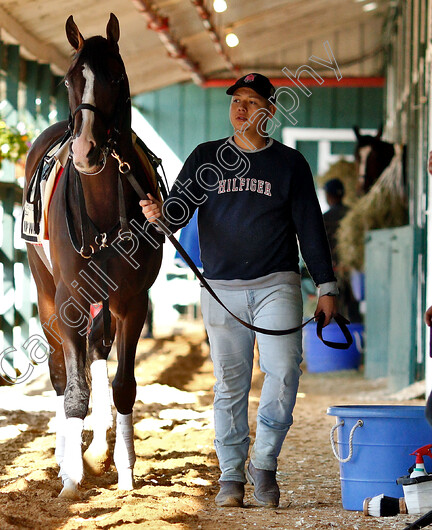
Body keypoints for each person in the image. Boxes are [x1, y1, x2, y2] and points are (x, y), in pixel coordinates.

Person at [139, 73, 337, 508]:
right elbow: (176, 212)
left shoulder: (290, 165)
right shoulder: (206, 158)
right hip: (220, 286)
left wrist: (327, 287)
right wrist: (158, 213)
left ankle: (263, 465)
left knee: (284, 371)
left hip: (276, 284)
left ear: (269, 111)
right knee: (230, 384)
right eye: (236, 102)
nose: (241, 109)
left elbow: (311, 228)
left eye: (251, 102)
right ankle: (231, 474)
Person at [321, 179, 361, 321]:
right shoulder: (352, 215)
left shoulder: (325, 219)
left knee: (334, 310)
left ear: (328, 195)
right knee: (353, 307)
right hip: (353, 270)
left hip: (334, 271)